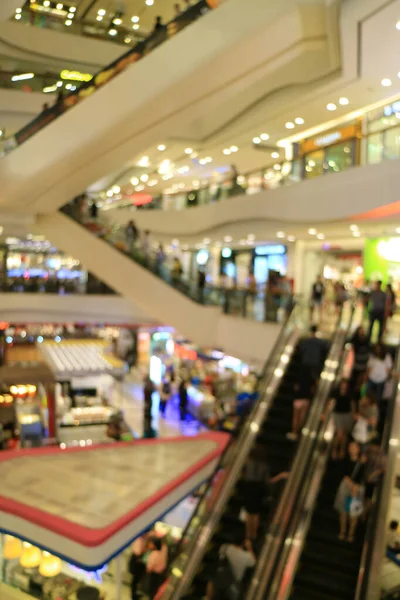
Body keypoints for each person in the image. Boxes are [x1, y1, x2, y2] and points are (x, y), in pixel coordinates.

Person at [334, 441, 367, 542]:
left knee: (354, 513)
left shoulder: (363, 462)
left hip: (358, 488)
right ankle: (342, 531)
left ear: (358, 449)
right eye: (350, 447)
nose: (351, 449)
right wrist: (352, 485)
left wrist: (355, 487)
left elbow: (363, 477)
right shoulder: (345, 460)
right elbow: (343, 474)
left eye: (354, 447)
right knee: (343, 511)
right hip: (346, 486)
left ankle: (351, 533)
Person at [331, 379, 355, 460]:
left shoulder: (349, 393)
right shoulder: (336, 392)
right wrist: (324, 413)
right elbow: (331, 402)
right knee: (339, 433)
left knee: (345, 434)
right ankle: (334, 449)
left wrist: (353, 413)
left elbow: (352, 403)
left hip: (347, 414)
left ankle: (342, 450)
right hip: (338, 414)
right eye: (343, 384)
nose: (344, 386)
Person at [287, 376, 315, 441]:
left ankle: (294, 432)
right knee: (302, 417)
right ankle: (299, 432)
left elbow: (296, 388)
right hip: (305, 399)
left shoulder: (298, 379)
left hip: (298, 399)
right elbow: (312, 390)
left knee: (295, 417)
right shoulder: (311, 379)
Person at [350, 326, 370, 393]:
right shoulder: (355, 339)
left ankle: (358, 390)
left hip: (363, 363)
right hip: (357, 363)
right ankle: (354, 390)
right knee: (355, 378)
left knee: (361, 379)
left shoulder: (366, 339)